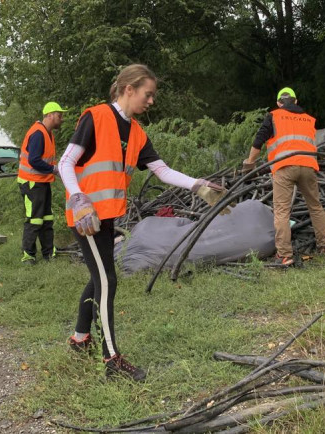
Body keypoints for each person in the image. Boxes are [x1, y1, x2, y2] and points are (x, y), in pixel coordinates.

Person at [58, 64, 225, 381]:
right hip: (85, 218)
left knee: (99, 278)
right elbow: (65, 162)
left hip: (107, 218)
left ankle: (80, 338)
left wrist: (197, 185)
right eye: (148, 94)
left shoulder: (136, 133)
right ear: (128, 89)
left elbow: (162, 171)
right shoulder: (95, 117)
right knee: (107, 280)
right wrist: (78, 197)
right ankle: (112, 361)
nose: (151, 101)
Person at [242, 87, 325, 266]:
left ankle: (284, 256)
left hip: (284, 167)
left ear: (278, 103)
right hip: (308, 167)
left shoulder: (274, 116)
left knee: (282, 211)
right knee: (315, 206)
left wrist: (249, 164)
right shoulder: (309, 119)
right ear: (296, 101)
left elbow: (259, 141)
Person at [17, 102, 67, 264]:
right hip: (32, 183)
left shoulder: (47, 133)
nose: (62, 119)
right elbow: (34, 161)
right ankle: (28, 255)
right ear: (50, 115)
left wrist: (54, 170)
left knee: (46, 218)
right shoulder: (38, 133)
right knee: (34, 219)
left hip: (41, 182)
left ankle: (48, 253)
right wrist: (54, 169)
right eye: (59, 115)